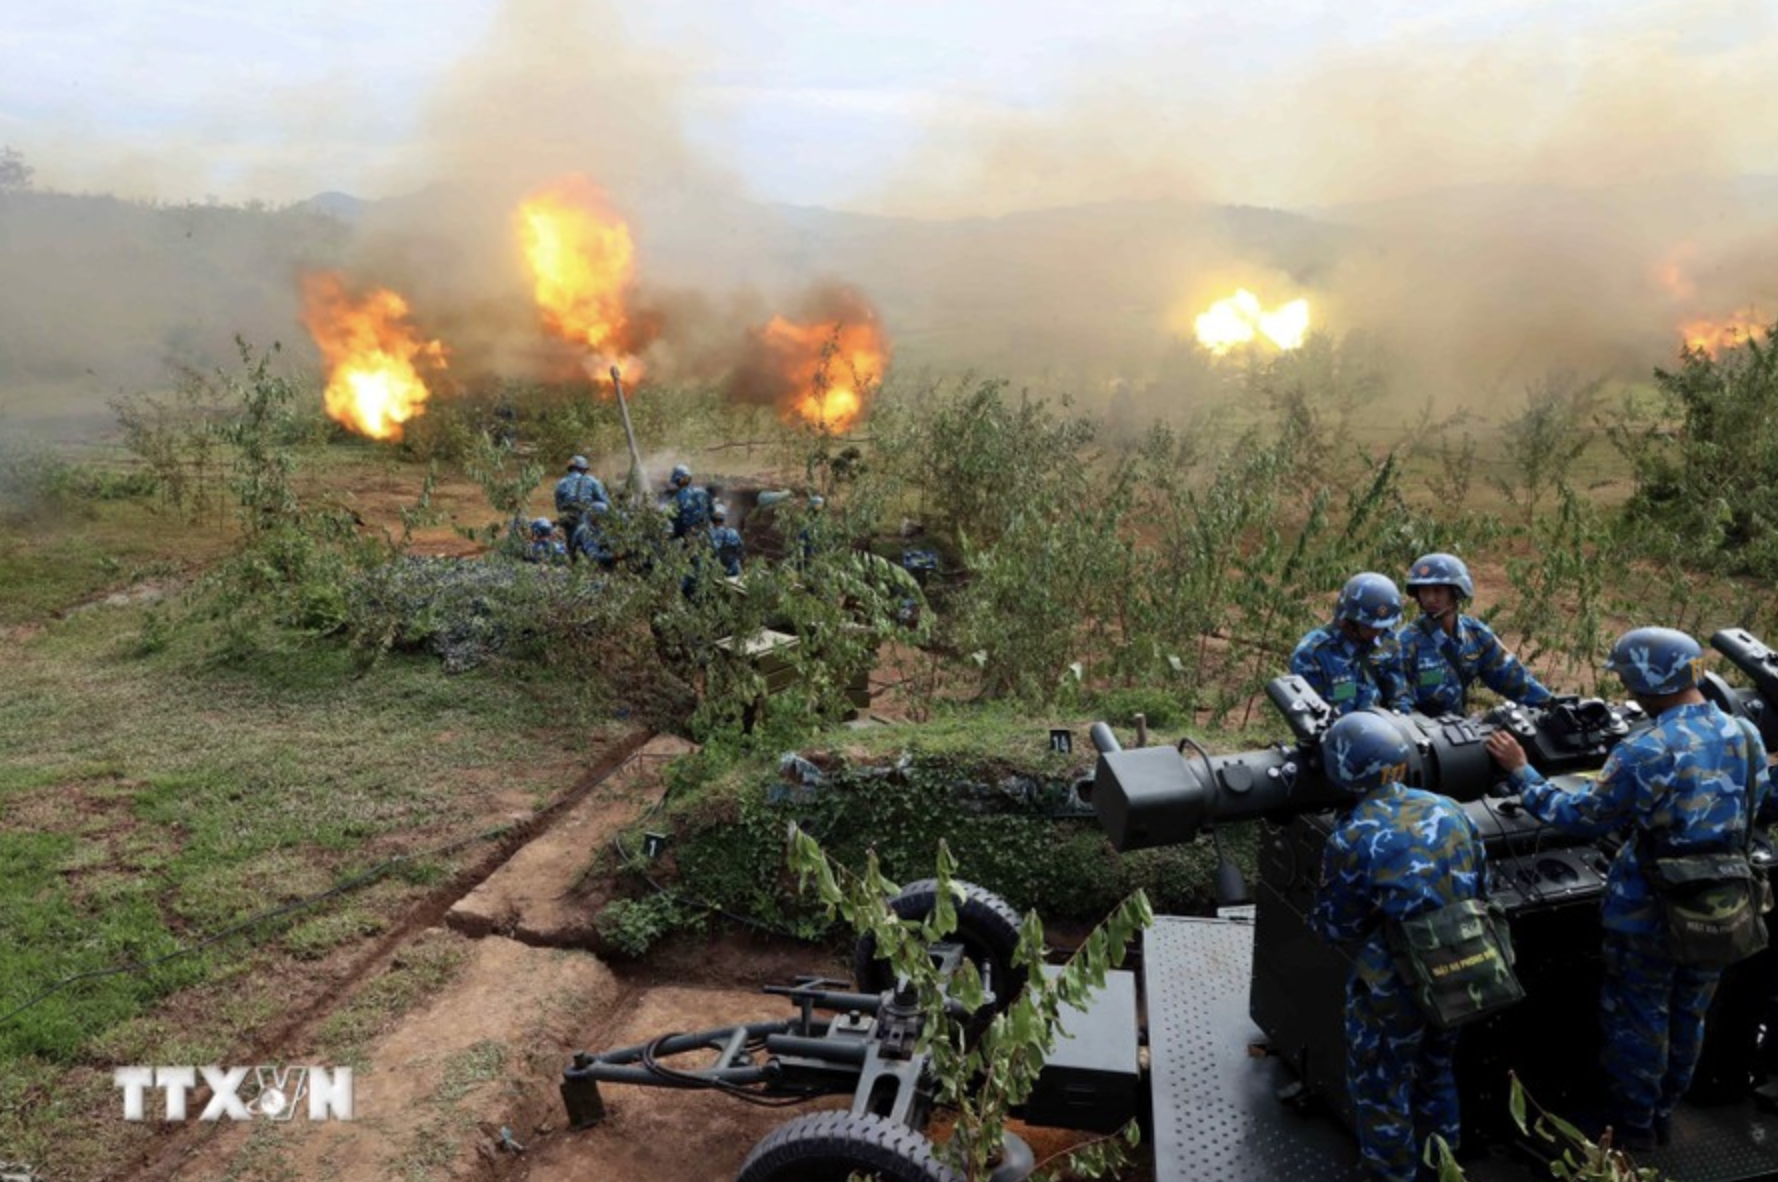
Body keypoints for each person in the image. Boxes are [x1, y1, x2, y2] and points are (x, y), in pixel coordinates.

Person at [1484, 626, 1770, 1149]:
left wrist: (1522, 773)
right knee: (1689, 1016)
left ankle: (1630, 1129)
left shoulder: (1645, 749)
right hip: (1723, 904)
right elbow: (1756, 805)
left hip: (1651, 913)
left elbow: (1580, 816)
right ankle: (1661, 1114)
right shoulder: (1744, 734)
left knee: (1640, 1021)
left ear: (1649, 681)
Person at [1312, 711, 1486, 1182]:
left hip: (1396, 983)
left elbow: (1336, 927)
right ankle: (1442, 1171)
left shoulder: (1353, 835)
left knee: (1380, 1083)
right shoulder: (1452, 810)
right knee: (1436, 1070)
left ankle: (1390, 1174)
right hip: (1461, 965)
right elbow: (1480, 888)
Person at [1398, 552, 1555, 716]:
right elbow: (1398, 703)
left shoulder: (1476, 634)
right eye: (1424, 592)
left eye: (1438, 591)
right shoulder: (1406, 643)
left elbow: (1515, 680)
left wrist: (1553, 707)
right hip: (1420, 734)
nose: (1430, 599)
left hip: (1460, 730)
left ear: (1456, 593)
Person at [1290, 573, 1413, 717]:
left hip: (1382, 732)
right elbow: (1309, 718)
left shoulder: (1387, 640)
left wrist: (1401, 720)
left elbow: (1398, 695)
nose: (1376, 634)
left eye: (1381, 627)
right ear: (1347, 620)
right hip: (1337, 736)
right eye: (1368, 627)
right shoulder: (1312, 654)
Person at [554, 455, 609, 548]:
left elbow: (559, 506)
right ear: (583, 469)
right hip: (586, 518)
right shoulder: (592, 481)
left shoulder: (561, 483)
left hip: (567, 519)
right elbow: (604, 502)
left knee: (571, 544)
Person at [665, 463, 711, 541]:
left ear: (677, 481)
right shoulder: (703, 492)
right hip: (702, 535)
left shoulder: (676, 499)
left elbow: (669, 518)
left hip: (684, 538)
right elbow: (711, 510)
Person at [570, 501, 616, 571]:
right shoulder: (585, 531)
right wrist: (614, 557)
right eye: (603, 517)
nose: (605, 520)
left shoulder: (598, 529)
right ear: (594, 516)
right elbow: (593, 556)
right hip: (585, 570)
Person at [708, 501, 744, 578]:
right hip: (734, 572)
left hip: (715, 574)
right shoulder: (733, 533)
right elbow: (740, 551)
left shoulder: (707, 534)